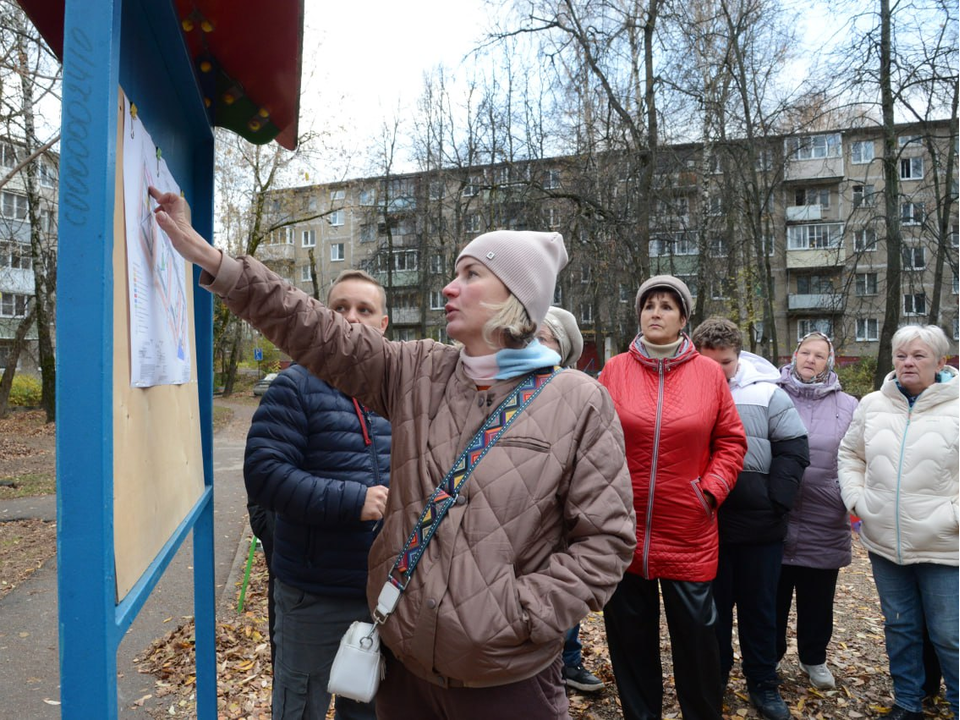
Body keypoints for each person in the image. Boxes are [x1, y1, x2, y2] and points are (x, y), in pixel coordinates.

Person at [150, 185, 636, 720]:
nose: (450, 288)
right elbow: (314, 329)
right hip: (405, 672)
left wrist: (516, 616)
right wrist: (211, 259)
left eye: (472, 275)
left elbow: (606, 543)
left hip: (507, 679)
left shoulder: (579, 400)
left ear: (516, 295)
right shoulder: (418, 370)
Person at [243, 269, 392, 719]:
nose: (351, 318)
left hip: (381, 596)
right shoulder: (296, 385)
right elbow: (265, 475)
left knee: (366, 707)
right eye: (340, 308)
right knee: (300, 707)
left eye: (364, 310)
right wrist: (353, 502)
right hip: (313, 596)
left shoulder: (396, 391)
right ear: (323, 317)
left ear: (382, 324)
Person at [599, 276, 748, 720]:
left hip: (688, 531)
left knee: (698, 645)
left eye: (667, 306)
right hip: (624, 530)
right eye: (649, 305)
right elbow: (594, 440)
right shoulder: (614, 370)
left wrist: (709, 493)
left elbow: (732, 442)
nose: (655, 313)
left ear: (683, 318)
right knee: (629, 641)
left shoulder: (706, 373)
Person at [838, 324, 958, 720]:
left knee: (949, 635)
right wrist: (858, 501)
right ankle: (908, 703)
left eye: (919, 356)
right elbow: (850, 455)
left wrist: (954, 518)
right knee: (901, 628)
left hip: (945, 544)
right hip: (887, 542)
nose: (908, 363)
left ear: (941, 362)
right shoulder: (873, 403)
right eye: (901, 355)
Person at [692, 318, 809, 720]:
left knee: (760, 610)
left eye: (724, 362)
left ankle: (763, 682)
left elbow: (795, 448)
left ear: (737, 358)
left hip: (761, 526)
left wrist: (777, 500)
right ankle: (716, 677)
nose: (715, 370)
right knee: (713, 611)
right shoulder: (687, 392)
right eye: (708, 361)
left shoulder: (768, 394)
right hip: (708, 523)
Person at [774, 331, 857, 691]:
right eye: (804, 352)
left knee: (817, 601)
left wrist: (843, 494)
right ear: (793, 355)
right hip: (776, 516)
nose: (810, 359)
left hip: (825, 519)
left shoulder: (849, 405)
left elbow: (857, 455)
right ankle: (767, 657)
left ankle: (814, 658)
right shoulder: (771, 393)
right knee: (770, 598)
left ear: (830, 362)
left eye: (819, 355)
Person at [537, 307, 603, 695]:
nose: (534, 346)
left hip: (560, 514)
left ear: (561, 350)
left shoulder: (578, 394)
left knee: (561, 585)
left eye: (543, 339)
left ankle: (569, 661)